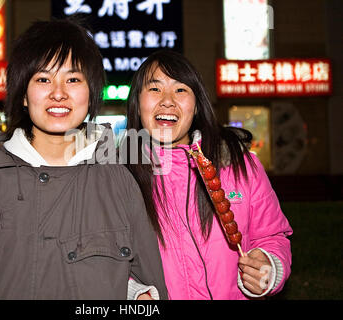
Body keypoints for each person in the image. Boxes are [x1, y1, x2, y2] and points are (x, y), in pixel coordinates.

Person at [0, 18, 168, 300]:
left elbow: (149, 285)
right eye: (43, 79)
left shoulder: (120, 182)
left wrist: (137, 294)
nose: (58, 93)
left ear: (91, 93)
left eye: (72, 79)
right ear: (23, 94)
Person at [122, 50, 293, 300]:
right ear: (137, 103)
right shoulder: (117, 176)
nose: (167, 100)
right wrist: (133, 293)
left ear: (197, 105)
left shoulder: (239, 164)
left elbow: (272, 235)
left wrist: (269, 265)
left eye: (181, 90)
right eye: (155, 89)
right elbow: (104, 258)